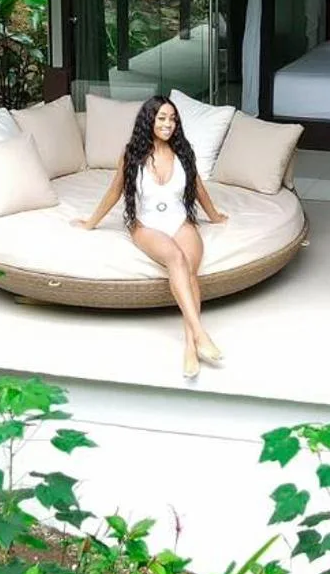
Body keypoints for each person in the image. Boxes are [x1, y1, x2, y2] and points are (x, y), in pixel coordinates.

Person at [78, 95, 229, 378]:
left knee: (189, 270)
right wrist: (90, 222)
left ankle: (189, 347)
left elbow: (199, 190)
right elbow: (114, 192)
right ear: (149, 119)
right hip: (146, 224)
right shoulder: (132, 153)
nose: (168, 124)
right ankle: (200, 334)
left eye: (172, 119)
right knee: (175, 257)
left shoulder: (184, 151)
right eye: (162, 118)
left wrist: (215, 216)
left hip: (179, 221)